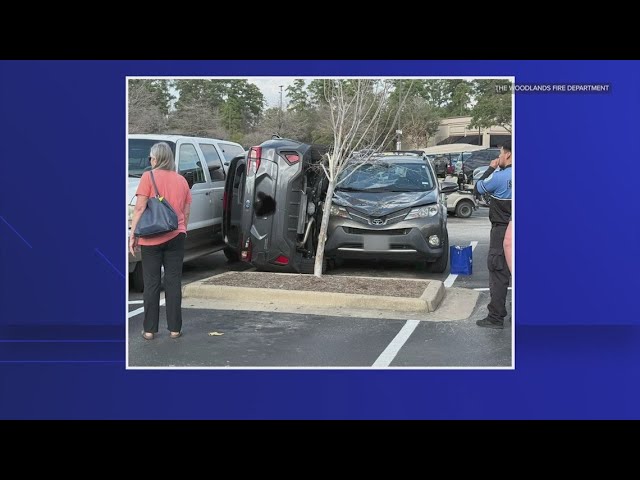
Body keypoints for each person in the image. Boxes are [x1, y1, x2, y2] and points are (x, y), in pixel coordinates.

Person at [129, 142, 192, 340]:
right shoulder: (182, 180)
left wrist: (133, 234)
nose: (150, 160)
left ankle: (149, 330)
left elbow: (139, 208)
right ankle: (175, 329)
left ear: (156, 159)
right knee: (173, 282)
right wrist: (182, 228)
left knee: (152, 283)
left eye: (151, 158)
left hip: (151, 238)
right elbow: (186, 210)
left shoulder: (148, 177)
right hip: (176, 235)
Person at [474, 141, 512, 329]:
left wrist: (490, 168)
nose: (499, 157)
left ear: (508, 155)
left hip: (502, 229)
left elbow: (478, 187)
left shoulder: (500, 177)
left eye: (500, 153)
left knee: (498, 272)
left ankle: (495, 317)